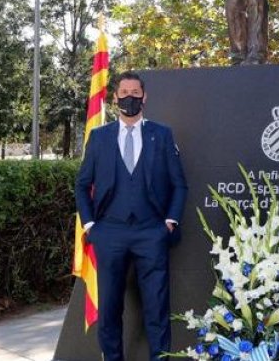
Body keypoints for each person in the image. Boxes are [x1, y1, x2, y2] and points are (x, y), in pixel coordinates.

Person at [75, 71, 188, 361]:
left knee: (157, 308)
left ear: (144, 97)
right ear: (115, 97)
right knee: (110, 308)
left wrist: (169, 222)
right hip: (109, 233)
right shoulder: (99, 137)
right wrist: (90, 226)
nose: (129, 97)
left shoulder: (161, 134)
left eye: (135, 92)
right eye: (123, 92)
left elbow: (179, 184)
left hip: (152, 232)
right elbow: (82, 183)